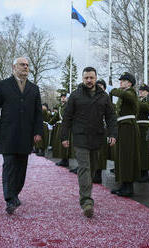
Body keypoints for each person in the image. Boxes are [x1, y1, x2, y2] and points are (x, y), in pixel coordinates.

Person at [0, 57, 43, 215]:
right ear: (14, 67)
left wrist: (38, 131)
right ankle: (10, 198)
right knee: (9, 165)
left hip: (26, 134)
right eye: (22, 65)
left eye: (27, 65)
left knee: (21, 167)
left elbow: (38, 113)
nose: (25, 67)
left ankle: (15, 193)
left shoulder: (34, 88)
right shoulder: (3, 85)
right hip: (8, 133)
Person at [61, 67, 117, 218]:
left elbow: (111, 116)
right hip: (80, 138)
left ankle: (86, 193)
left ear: (96, 78)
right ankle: (86, 201)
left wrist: (112, 133)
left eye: (91, 77)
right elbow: (67, 117)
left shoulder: (104, 96)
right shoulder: (75, 95)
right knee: (84, 168)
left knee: (92, 169)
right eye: (86, 78)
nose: (89, 80)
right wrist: (64, 136)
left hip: (97, 138)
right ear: (82, 78)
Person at [109, 72, 141, 197]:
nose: (121, 82)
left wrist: (113, 90)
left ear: (130, 83)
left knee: (127, 156)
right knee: (122, 156)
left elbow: (123, 94)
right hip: (122, 126)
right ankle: (124, 184)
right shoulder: (124, 95)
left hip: (128, 127)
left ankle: (128, 187)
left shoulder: (131, 93)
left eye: (123, 80)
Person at [136, 84, 149, 183]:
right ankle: (140, 172)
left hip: (145, 127)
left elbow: (147, 108)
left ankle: (145, 174)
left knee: (144, 151)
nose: (141, 92)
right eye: (140, 90)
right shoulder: (140, 101)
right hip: (138, 127)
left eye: (143, 90)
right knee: (139, 150)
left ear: (148, 92)